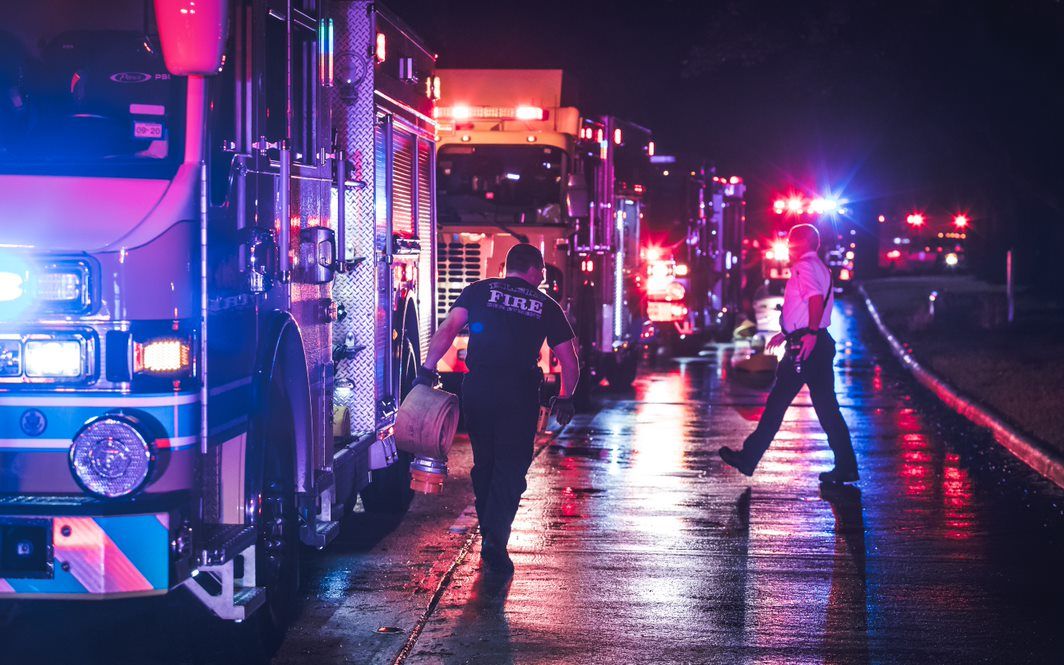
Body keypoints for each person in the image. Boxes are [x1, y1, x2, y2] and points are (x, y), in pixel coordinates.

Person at [417, 243, 580, 574]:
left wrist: (428, 368)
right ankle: (495, 540)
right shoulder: (547, 305)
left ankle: (490, 532)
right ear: (535, 271)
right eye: (542, 274)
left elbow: (449, 329)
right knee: (510, 468)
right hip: (518, 395)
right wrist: (565, 395)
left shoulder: (477, 291)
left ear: (508, 268)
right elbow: (569, 358)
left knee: (485, 463)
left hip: (478, 389)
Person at [719, 224, 859, 484]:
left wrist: (810, 333)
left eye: (792, 243)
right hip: (811, 344)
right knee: (826, 409)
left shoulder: (804, 267)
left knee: (778, 405)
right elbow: (809, 306)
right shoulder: (819, 267)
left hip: (806, 348)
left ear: (800, 244)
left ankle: (748, 459)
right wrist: (787, 332)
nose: (789, 248)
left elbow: (815, 300)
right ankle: (846, 466)